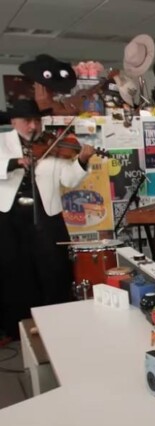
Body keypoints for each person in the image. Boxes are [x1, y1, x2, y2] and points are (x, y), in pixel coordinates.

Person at [0, 99, 94, 340]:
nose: (33, 127)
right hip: (9, 215)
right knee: (15, 269)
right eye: (26, 122)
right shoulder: (2, 142)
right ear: (13, 122)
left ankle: (57, 323)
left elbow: (69, 180)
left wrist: (82, 160)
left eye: (36, 121)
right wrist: (15, 163)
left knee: (54, 268)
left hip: (46, 213)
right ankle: (17, 327)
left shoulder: (52, 144)